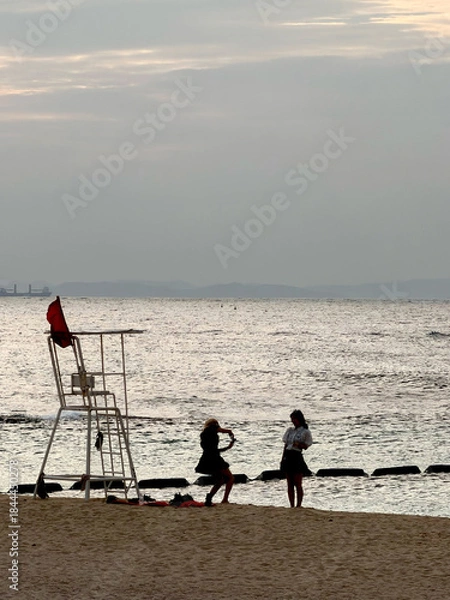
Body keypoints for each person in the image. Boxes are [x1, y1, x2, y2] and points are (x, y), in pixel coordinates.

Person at [195, 418, 235, 506]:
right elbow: (225, 431)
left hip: (206, 459)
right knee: (230, 478)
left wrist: (228, 447)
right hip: (215, 459)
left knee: (220, 480)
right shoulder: (211, 429)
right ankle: (225, 499)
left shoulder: (204, 435)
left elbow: (212, 450)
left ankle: (209, 498)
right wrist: (230, 432)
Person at [281, 410, 313, 508]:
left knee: (298, 483)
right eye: (292, 419)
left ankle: (299, 505)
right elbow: (286, 445)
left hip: (296, 455)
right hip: (288, 455)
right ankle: (291, 505)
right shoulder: (290, 430)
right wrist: (282, 458)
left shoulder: (305, 432)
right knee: (289, 483)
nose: (293, 421)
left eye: (294, 419)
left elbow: (306, 446)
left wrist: (298, 444)